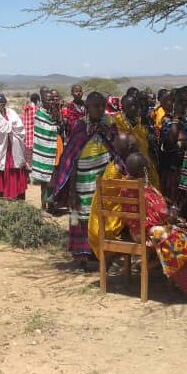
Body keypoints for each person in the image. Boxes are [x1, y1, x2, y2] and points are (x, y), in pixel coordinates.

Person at [120, 152, 187, 301]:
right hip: (149, 232)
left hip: (141, 231)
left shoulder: (125, 186)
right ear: (142, 170)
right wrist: (172, 216)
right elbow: (162, 214)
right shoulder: (143, 189)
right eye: (146, 168)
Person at [52, 91, 117, 266]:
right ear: (87, 108)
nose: (101, 109)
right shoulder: (80, 127)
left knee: (100, 217)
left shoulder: (110, 125)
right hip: (81, 182)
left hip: (102, 183)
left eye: (103, 105)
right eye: (96, 106)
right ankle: (82, 254)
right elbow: (71, 159)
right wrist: (72, 190)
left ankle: (100, 253)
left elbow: (116, 151)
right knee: (80, 215)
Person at [87, 133, 138, 260]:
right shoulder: (117, 171)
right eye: (135, 146)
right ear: (129, 148)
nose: (137, 147)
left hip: (113, 220)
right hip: (111, 225)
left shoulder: (120, 165)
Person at [160, 86, 187, 225]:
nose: (183, 104)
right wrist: (176, 120)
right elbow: (170, 142)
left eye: (186, 101)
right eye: (180, 101)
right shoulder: (167, 119)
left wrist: (181, 136)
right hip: (177, 169)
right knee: (177, 203)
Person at [114, 94, 159, 187]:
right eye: (130, 106)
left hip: (143, 163)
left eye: (135, 105)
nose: (134, 108)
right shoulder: (118, 123)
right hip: (128, 168)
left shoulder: (138, 123)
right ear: (123, 107)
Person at [0, 93, 28, 199]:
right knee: (1, 169)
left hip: (14, 147)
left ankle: (18, 196)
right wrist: (10, 125)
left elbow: (19, 126)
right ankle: (1, 196)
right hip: (3, 149)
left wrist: (9, 125)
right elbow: (1, 129)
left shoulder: (12, 113)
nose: (1, 104)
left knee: (15, 167)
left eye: (2, 102)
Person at [31, 89, 59, 211]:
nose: (51, 102)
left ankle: (51, 204)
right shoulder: (40, 114)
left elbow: (59, 126)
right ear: (43, 101)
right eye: (48, 100)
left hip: (54, 150)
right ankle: (43, 207)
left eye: (52, 100)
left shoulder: (55, 113)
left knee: (53, 180)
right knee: (44, 181)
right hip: (43, 151)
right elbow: (41, 133)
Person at [21, 93, 39, 169]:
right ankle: (32, 173)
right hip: (33, 135)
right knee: (34, 156)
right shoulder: (36, 109)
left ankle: (27, 172)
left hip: (25, 135)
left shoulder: (24, 108)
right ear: (38, 100)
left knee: (27, 156)